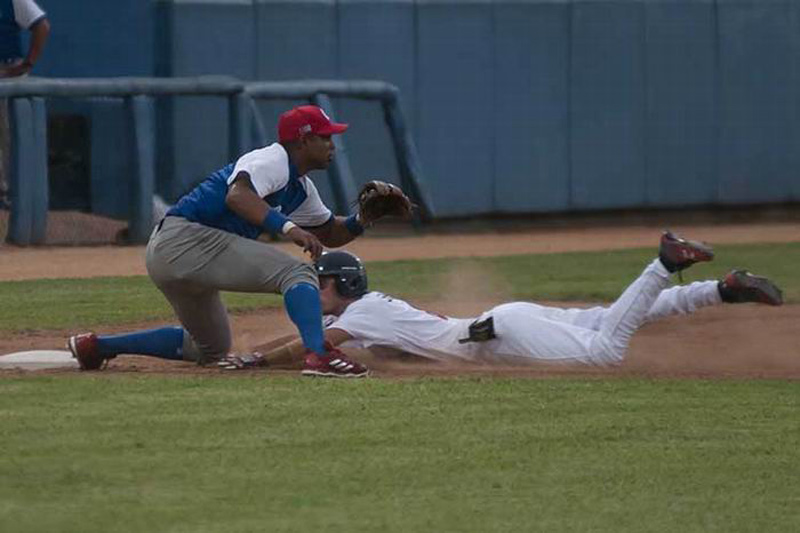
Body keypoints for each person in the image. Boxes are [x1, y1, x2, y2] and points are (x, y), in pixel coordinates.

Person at [67, 105, 381, 377]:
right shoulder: (272, 159)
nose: (332, 145)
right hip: (185, 239)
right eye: (325, 137)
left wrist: (362, 219)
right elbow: (238, 196)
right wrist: (288, 229)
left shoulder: (300, 187)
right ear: (303, 140)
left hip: (177, 252)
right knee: (298, 273)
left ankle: (97, 346)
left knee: (208, 348)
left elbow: (330, 233)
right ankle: (320, 355)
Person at [226, 232, 783, 369]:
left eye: (319, 285)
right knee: (606, 319)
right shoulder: (375, 311)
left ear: (340, 287)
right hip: (499, 322)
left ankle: (665, 263)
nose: (314, 293)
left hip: (505, 332)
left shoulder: (362, 312)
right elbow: (413, 337)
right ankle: (721, 290)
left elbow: (314, 345)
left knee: (605, 351)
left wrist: (253, 359)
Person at [0, 0, 50, 207]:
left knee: (7, 135)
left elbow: (42, 26)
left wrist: (27, 63)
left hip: (6, 70)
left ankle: (7, 196)